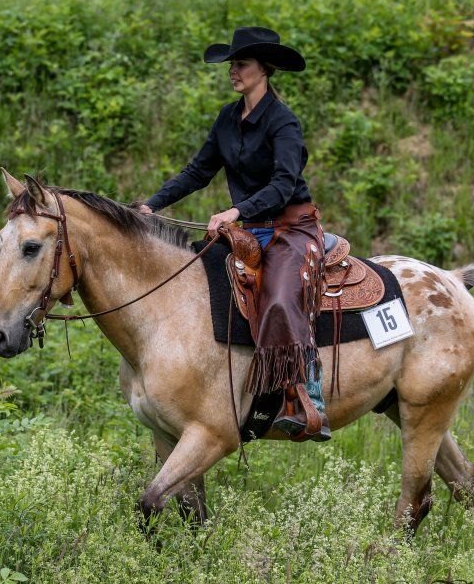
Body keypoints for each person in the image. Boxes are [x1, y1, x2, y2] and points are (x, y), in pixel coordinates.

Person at [138, 26, 331, 442]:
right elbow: (198, 171)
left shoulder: (284, 123)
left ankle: (307, 396)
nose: (233, 71)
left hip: (291, 228)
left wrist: (235, 210)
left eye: (240, 64)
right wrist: (151, 205)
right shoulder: (228, 117)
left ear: (264, 69)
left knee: (280, 295)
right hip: (248, 230)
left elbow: (283, 184)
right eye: (231, 64)